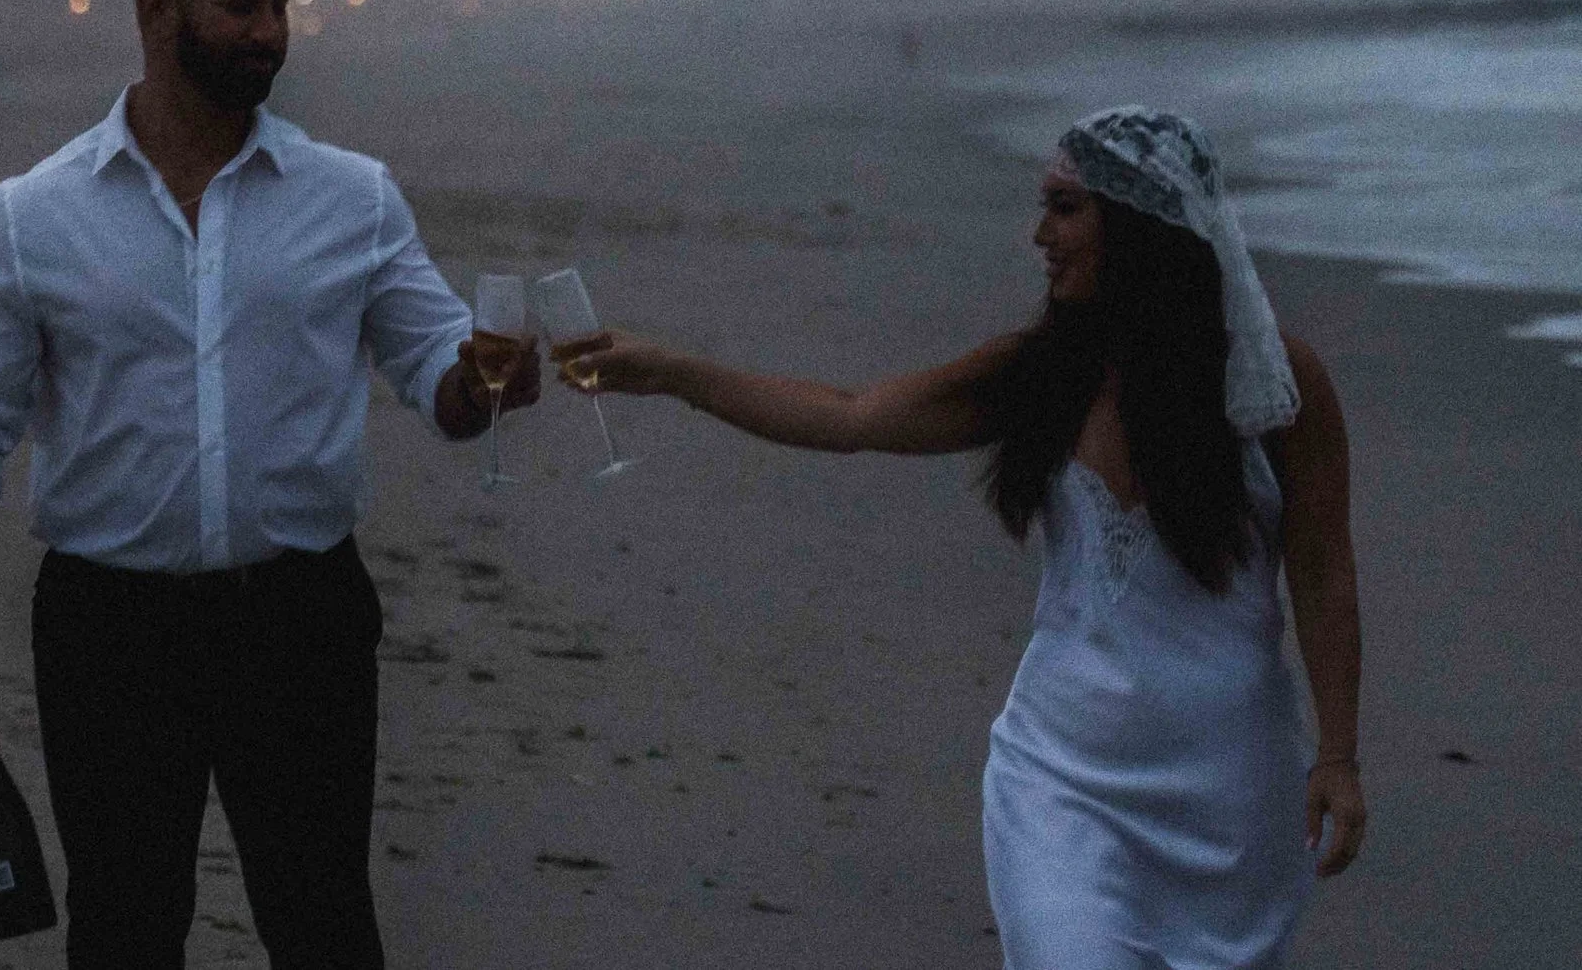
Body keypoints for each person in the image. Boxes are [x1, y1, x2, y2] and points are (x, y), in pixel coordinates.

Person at [561, 107, 1366, 970]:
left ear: (1140, 222)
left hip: (1231, 806)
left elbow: (1321, 572)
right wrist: (675, 372)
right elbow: (849, 418)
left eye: (1065, 208)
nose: (1039, 235)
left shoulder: (1278, 389)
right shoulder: (1040, 372)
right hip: (1066, 787)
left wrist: (1341, 755)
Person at [0, 0, 539, 970]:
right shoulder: (36, 211)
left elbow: (435, 364)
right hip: (109, 627)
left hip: (299, 615)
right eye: (241, 6)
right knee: (124, 925)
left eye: (281, 5)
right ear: (156, 10)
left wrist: (485, 382)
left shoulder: (353, 197)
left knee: (324, 917)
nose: (271, 32)